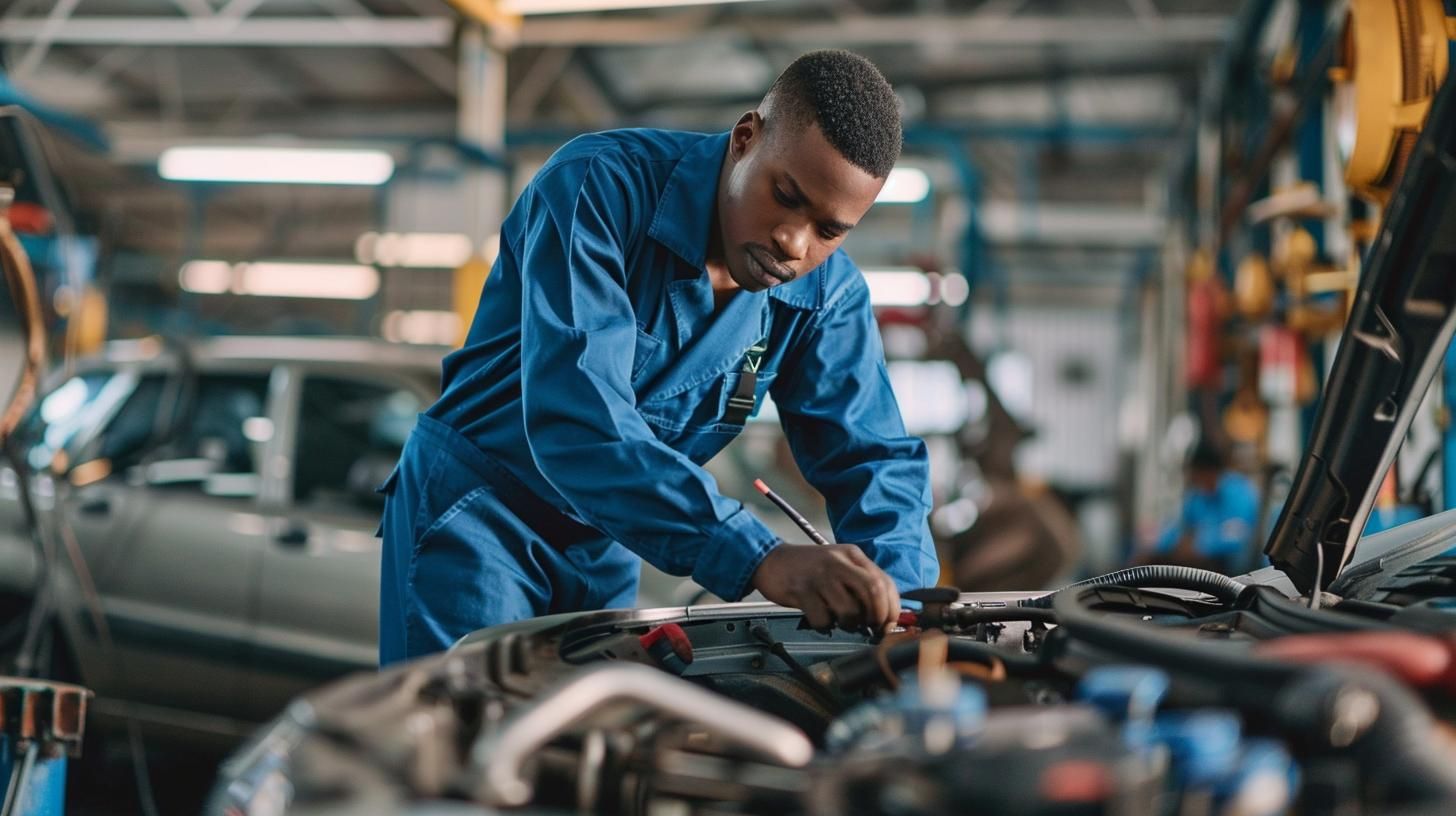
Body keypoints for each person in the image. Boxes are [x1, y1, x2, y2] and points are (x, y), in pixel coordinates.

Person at [377, 50, 940, 665]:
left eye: (829, 230)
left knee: (591, 744)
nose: (794, 241)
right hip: (479, 511)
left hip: (609, 534)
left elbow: (873, 460)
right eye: (785, 195)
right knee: (460, 742)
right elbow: (580, 419)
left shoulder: (824, 299)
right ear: (745, 138)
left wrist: (904, 611)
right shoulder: (600, 187)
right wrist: (757, 555)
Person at [1149, 443, 1260, 574]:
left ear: (1210, 472)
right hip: (1199, 561)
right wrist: (1165, 542)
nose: (1195, 480)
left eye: (1197, 475)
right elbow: (1180, 526)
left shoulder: (1240, 492)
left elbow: (1237, 536)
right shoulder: (1197, 495)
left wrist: (1198, 545)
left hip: (1230, 566)